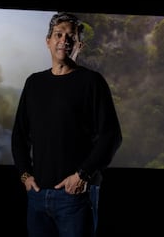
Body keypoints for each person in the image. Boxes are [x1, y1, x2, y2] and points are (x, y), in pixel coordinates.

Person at [11, 12, 122, 237]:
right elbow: (19, 135)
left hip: (76, 198)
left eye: (70, 36)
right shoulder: (34, 83)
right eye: (58, 34)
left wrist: (83, 175)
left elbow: (111, 135)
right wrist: (25, 175)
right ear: (48, 41)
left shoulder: (92, 82)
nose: (64, 40)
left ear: (79, 44)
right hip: (37, 196)